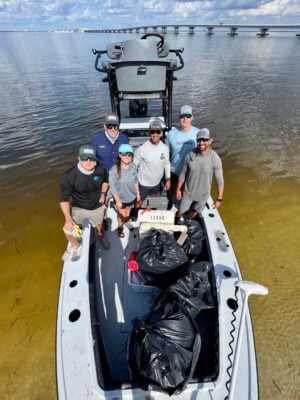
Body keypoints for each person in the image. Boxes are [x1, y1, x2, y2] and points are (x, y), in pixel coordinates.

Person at [59, 145, 110, 261]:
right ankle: (76, 246)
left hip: (97, 207)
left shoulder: (100, 170)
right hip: (78, 208)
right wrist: (67, 218)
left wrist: (103, 194)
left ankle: (102, 238)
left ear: (95, 160)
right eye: (85, 158)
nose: (88, 162)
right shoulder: (68, 176)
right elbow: (63, 199)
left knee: (100, 226)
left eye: (91, 159)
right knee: (68, 231)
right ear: (78, 159)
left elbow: (106, 182)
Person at [176, 128, 224, 219]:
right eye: (199, 140)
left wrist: (219, 199)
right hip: (188, 193)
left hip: (203, 195)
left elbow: (220, 180)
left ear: (210, 141)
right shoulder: (190, 155)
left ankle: (188, 222)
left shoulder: (215, 158)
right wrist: (178, 189)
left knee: (195, 212)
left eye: (205, 140)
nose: (201, 143)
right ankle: (177, 220)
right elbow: (183, 173)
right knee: (181, 211)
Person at [165, 105, 200, 205]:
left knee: (188, 196)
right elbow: (167, 155)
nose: (185, 119)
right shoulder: (171, 134)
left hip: (191, 172)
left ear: (192, 117)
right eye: (182, 116)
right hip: (175, 171)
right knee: (174, 194)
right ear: (179, 117)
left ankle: (184, 211)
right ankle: (172, 206)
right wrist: (167, 177)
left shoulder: (198, 133)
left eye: (188, 116)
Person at [134, 119, 171, 205]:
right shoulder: (142, 149)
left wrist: (168, 179)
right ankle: (136, 214)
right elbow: (134, 166)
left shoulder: (165, 148)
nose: (155, 135)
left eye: (157, 132)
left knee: (154, 196)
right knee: (138, 201)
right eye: (152, 132)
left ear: (161, 133)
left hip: (157, 183)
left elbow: (167, 164)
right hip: (143, 184)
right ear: (149, 133)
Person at [109, 144, 140, 238]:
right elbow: (112, 187)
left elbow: (136, 181)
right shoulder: (113, 170)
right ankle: (120, 228)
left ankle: (126, 223)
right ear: (120, 155)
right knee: (122, 215)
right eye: (124, 154)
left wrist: (138, 193)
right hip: (120, 199)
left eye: (129, 154)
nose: (126, 156)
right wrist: (117, 200)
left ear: (132, 156)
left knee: (127, 214)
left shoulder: (134, 166)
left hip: (131, 197)